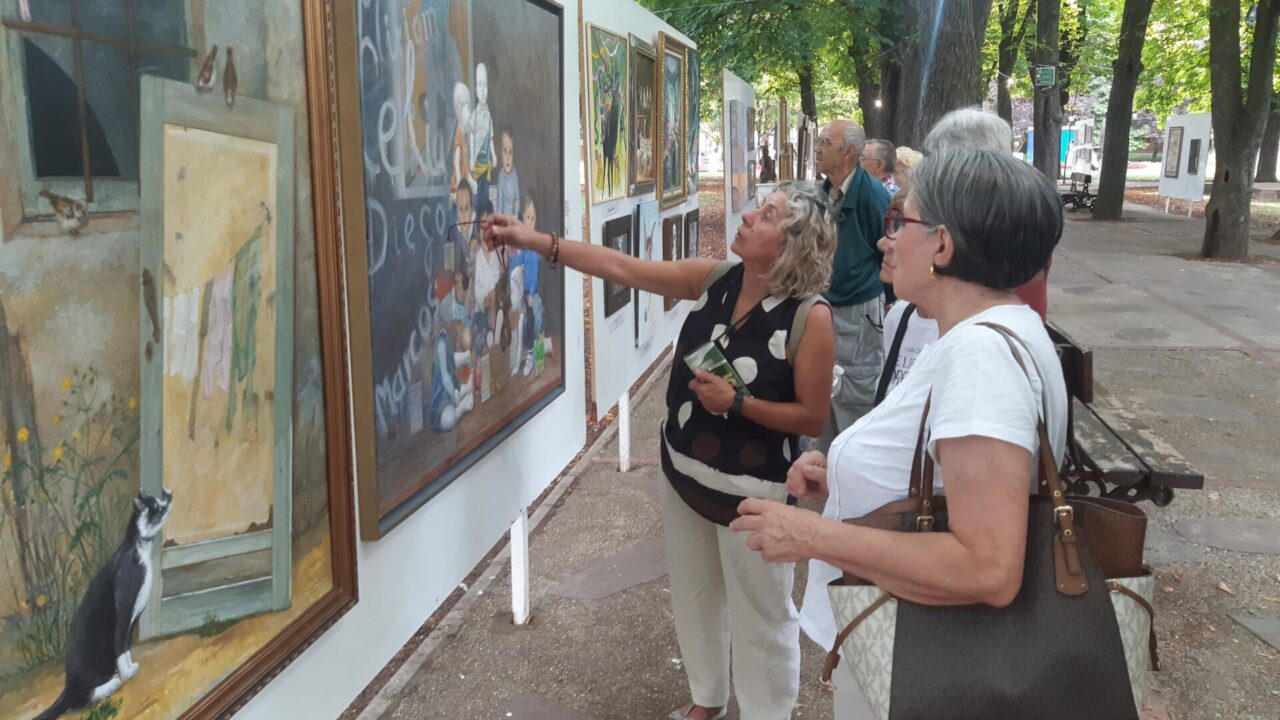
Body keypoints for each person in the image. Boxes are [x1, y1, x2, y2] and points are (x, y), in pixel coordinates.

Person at [731, 147, 1069, 719]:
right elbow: (946, 477)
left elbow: (987, 567)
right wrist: (846, 475)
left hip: (927, 660)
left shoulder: (981, 356)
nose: (888, 239)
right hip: (922, 650)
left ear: (942, 244)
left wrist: (813, 537)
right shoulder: (990, 331)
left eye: (900, 221)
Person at [483, 183, 838, 720]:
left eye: (766, 216)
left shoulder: (809, 318)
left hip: (754, 498)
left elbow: (811, 416)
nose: (746, 216)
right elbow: (623, 269)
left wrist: (737, 404)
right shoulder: (719, 279)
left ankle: (768, 712)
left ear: (792, 246)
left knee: (761, 617)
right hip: (683, 475)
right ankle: (708, 700)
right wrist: (536, 242)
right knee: (695, 599)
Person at [922, 107, 1051, 320]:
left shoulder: (1004, 210)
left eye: (941, 160)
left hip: (994, 334)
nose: (936, 171)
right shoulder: (1020, 195)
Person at [813, 119, 891, 452]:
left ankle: (855, 465)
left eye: (825, 142)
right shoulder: (820, 192)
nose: (817, 148)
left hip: (857, 312)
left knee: (855, 393)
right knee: (819, 388)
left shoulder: (872, 195)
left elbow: (887, 248)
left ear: (848, 151)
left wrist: (890, 302)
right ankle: (825, 467)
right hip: (821, 307)